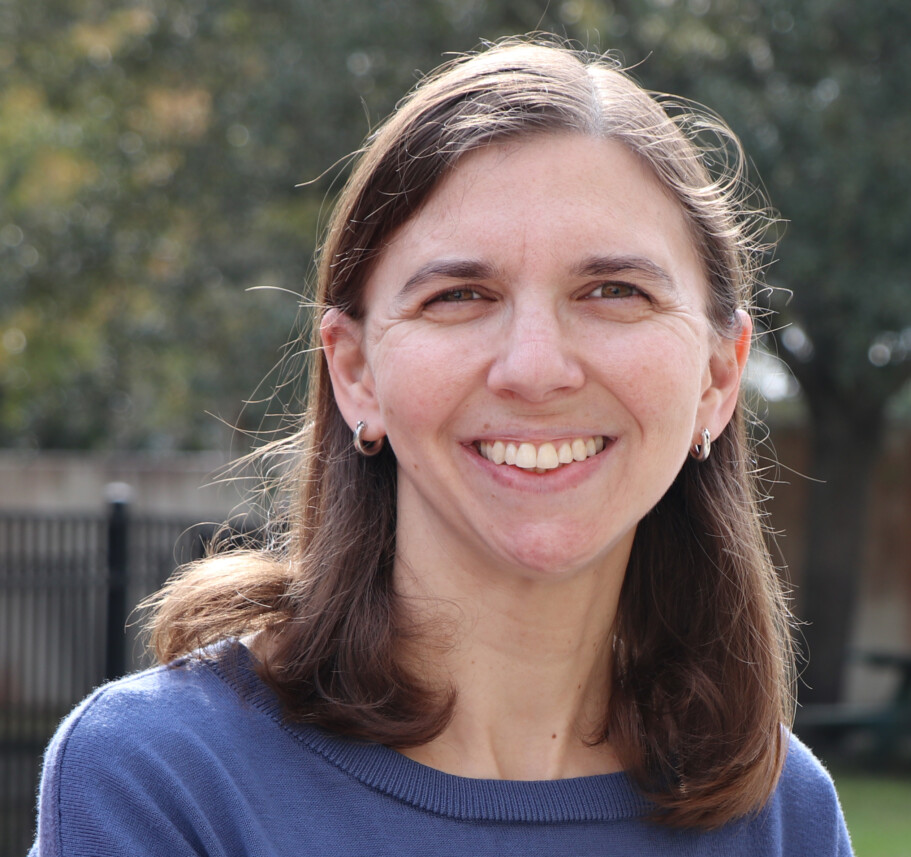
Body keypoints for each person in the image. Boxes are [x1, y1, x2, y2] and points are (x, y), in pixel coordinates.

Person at [30, 37, 853, 855]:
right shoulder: (160, 779)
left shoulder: (779, 816)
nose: (534, 367)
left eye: (613, 291)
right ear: (356, 373)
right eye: (460, 295)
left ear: (717, 377)